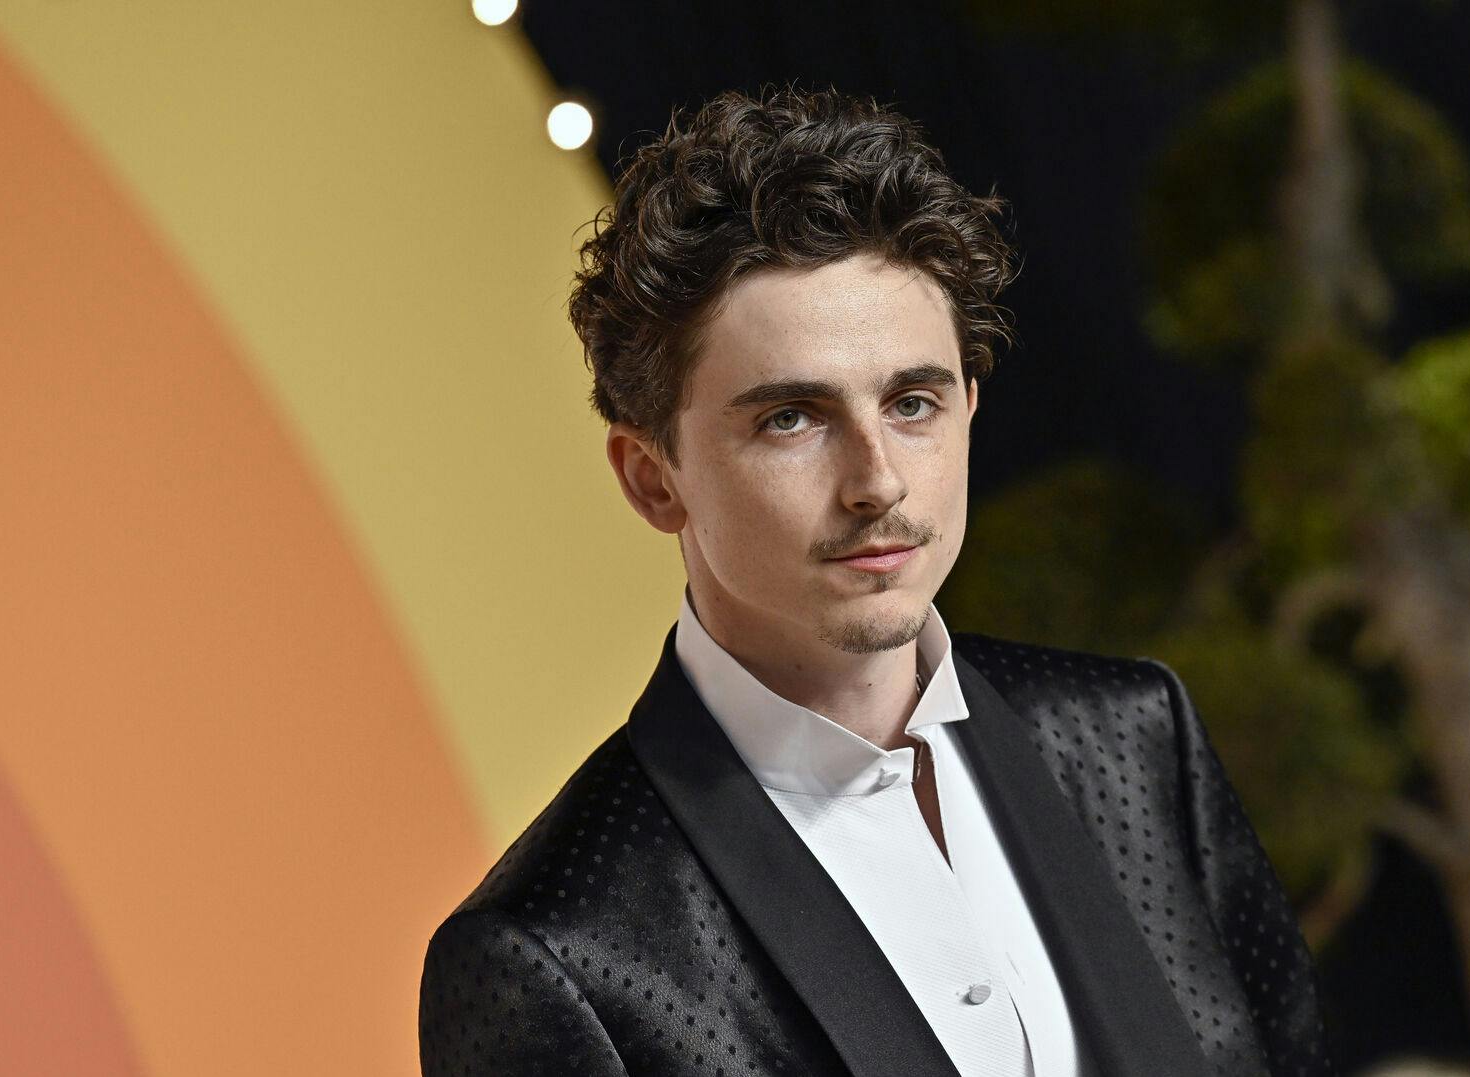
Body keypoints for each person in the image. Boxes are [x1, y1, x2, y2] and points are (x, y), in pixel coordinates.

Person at [418, 85, 1332, 1077]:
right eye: (791, 418)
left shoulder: (1139, 740)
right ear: (653, 478)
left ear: (970, 410)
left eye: (912, 402)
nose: (878, 481)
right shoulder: (554, 952)